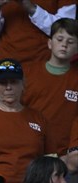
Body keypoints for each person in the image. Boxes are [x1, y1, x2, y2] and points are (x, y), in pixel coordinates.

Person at [22, 18, 78, 157]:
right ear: (49, 43)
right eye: (59, 39)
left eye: (70, 42)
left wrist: (71, 154)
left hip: (63, 156)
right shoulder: (27, 73)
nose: (64, 45)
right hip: (29, 151)